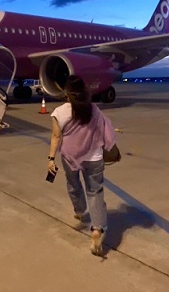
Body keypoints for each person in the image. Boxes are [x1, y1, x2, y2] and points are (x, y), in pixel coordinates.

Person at [47, 75, 116, 256]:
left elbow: (56, 137)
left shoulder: (59, 112)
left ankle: (79, 210)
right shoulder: (93, 109)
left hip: (70, 157)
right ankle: (97, 229)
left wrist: (51, 158)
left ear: (66, 92)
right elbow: (105, 128)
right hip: (94, 157)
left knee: (73, 183)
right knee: (95, 192)